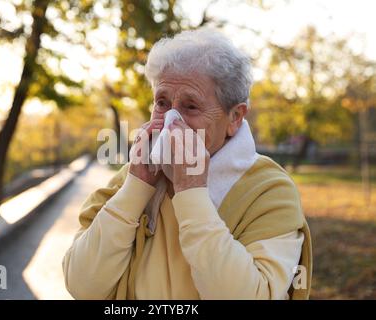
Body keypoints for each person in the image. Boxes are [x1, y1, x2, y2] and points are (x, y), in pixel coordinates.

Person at [62, 28, 312, 300]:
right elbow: (81, 285)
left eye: (190, 107)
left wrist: (191, 192)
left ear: (235, 118)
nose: (171, 121)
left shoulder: (270, 191)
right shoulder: (131, 178)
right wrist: (135, 189)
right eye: (162, 103)